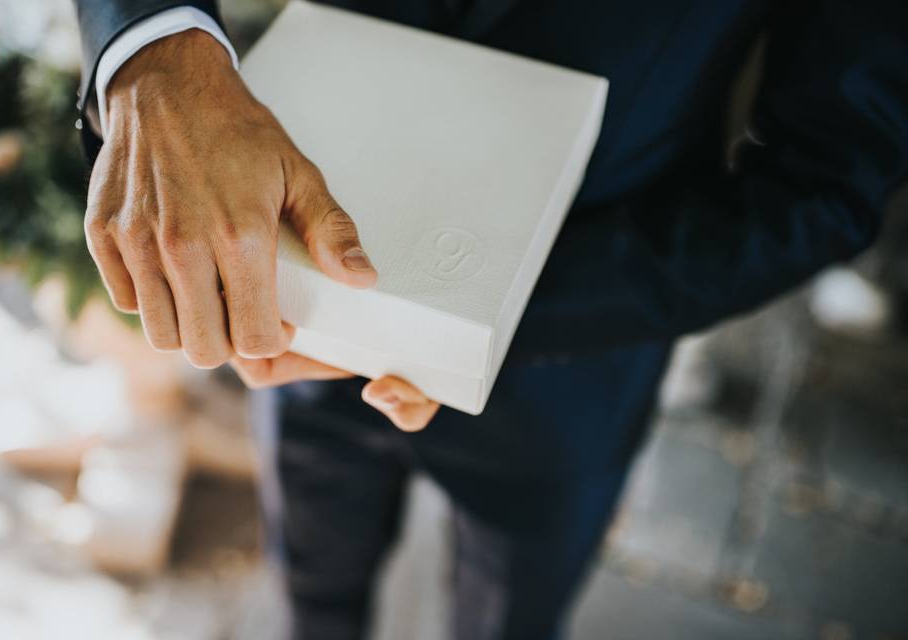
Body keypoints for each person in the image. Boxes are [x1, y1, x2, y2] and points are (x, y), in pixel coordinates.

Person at [71, 1, 908, 638]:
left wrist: (469, 320)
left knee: (509, 614)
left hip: (576, 352)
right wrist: (152, 50)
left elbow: (824, 185)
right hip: (299, 274)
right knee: (310, 579)